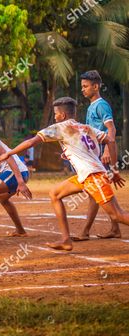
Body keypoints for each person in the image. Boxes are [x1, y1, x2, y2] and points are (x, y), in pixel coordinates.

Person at [0, 97, 128, 251]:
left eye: (56, 114)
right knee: (54, 193)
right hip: (86, 175)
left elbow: (31, 142)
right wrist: (113, 169)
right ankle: (66, 240)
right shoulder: (86, 128)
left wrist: (9, 153)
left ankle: (67, 239)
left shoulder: (60, 128)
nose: (54, 117)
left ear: (63, 116)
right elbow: (110, 141)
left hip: (93, 176)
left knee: (116, 215)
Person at [72, 70, 121, 241]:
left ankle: (85, 231)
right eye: (82, 86)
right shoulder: (92, 106)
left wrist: (108, 149)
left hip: (102, 155)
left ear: (96, 86)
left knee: (95, 192)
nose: (83, 89)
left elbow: (111, 129)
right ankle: (115, 228)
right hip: (95, 156)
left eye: (85, 86)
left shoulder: (101, 105)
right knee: (101, 191)